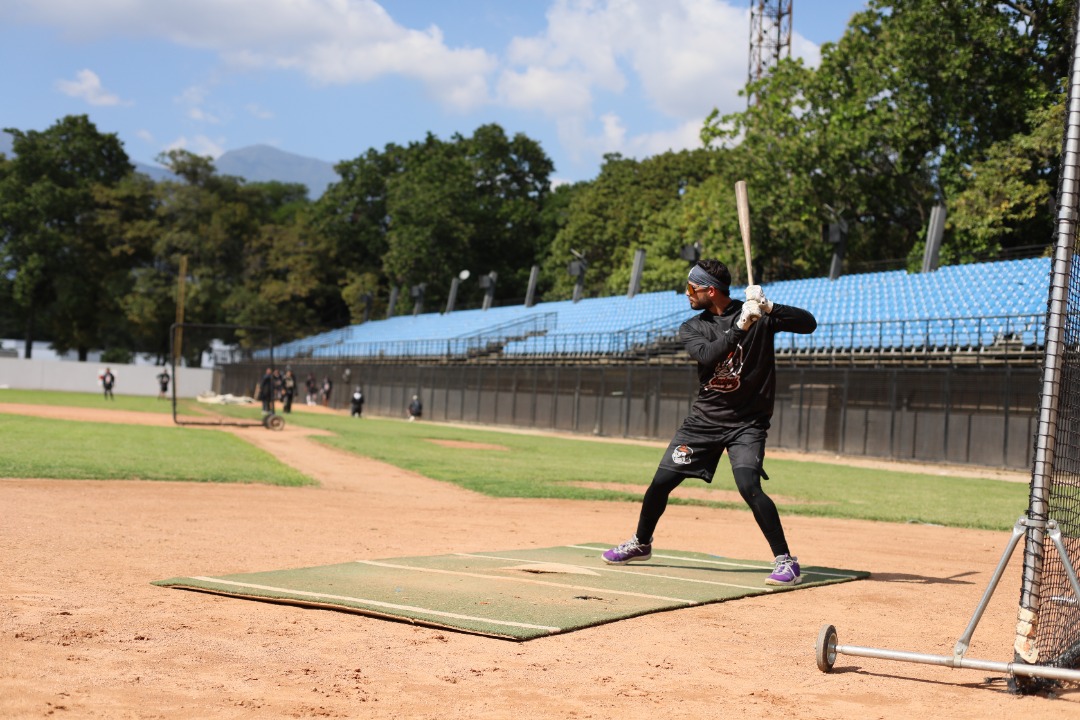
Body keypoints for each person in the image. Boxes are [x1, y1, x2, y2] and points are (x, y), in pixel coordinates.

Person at [601, 259, 817, 586]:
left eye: (692, 288)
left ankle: (785, 561)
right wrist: (739, 327)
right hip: (704, 421)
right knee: (660, 484)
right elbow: (708, 355)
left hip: (747, 423)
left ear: (710, 290)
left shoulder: (759, 316)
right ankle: (641, 543)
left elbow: (809, 324)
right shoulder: (693, 327)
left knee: (748, 486)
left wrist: (770, 306)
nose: (687, 293)